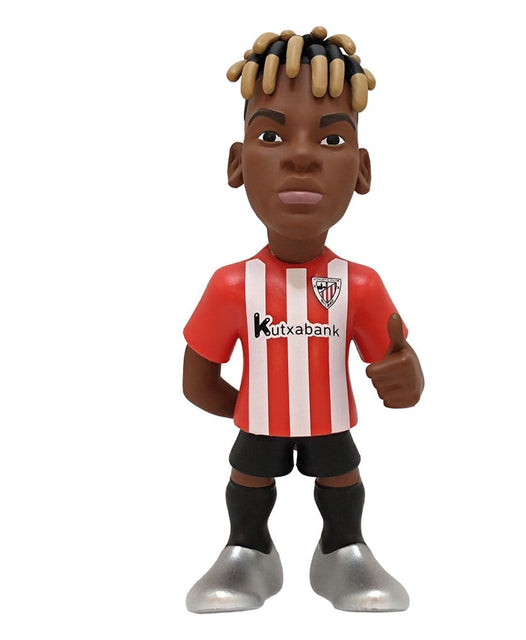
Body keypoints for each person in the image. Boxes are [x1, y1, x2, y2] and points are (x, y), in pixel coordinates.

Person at [182, 27, 424, 613]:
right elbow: (196, 380)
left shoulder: (359, 286)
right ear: (238, 163)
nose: (300, 156)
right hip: (260, 423)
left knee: (342, 479)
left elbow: (399, 368)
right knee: (248, 479)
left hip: (330, 421)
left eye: (332, 139)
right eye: (270, 135)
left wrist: (407, 376)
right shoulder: (232, 286)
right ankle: (247, 552)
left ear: (361, 171)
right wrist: (250, 407)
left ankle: (343, 551)